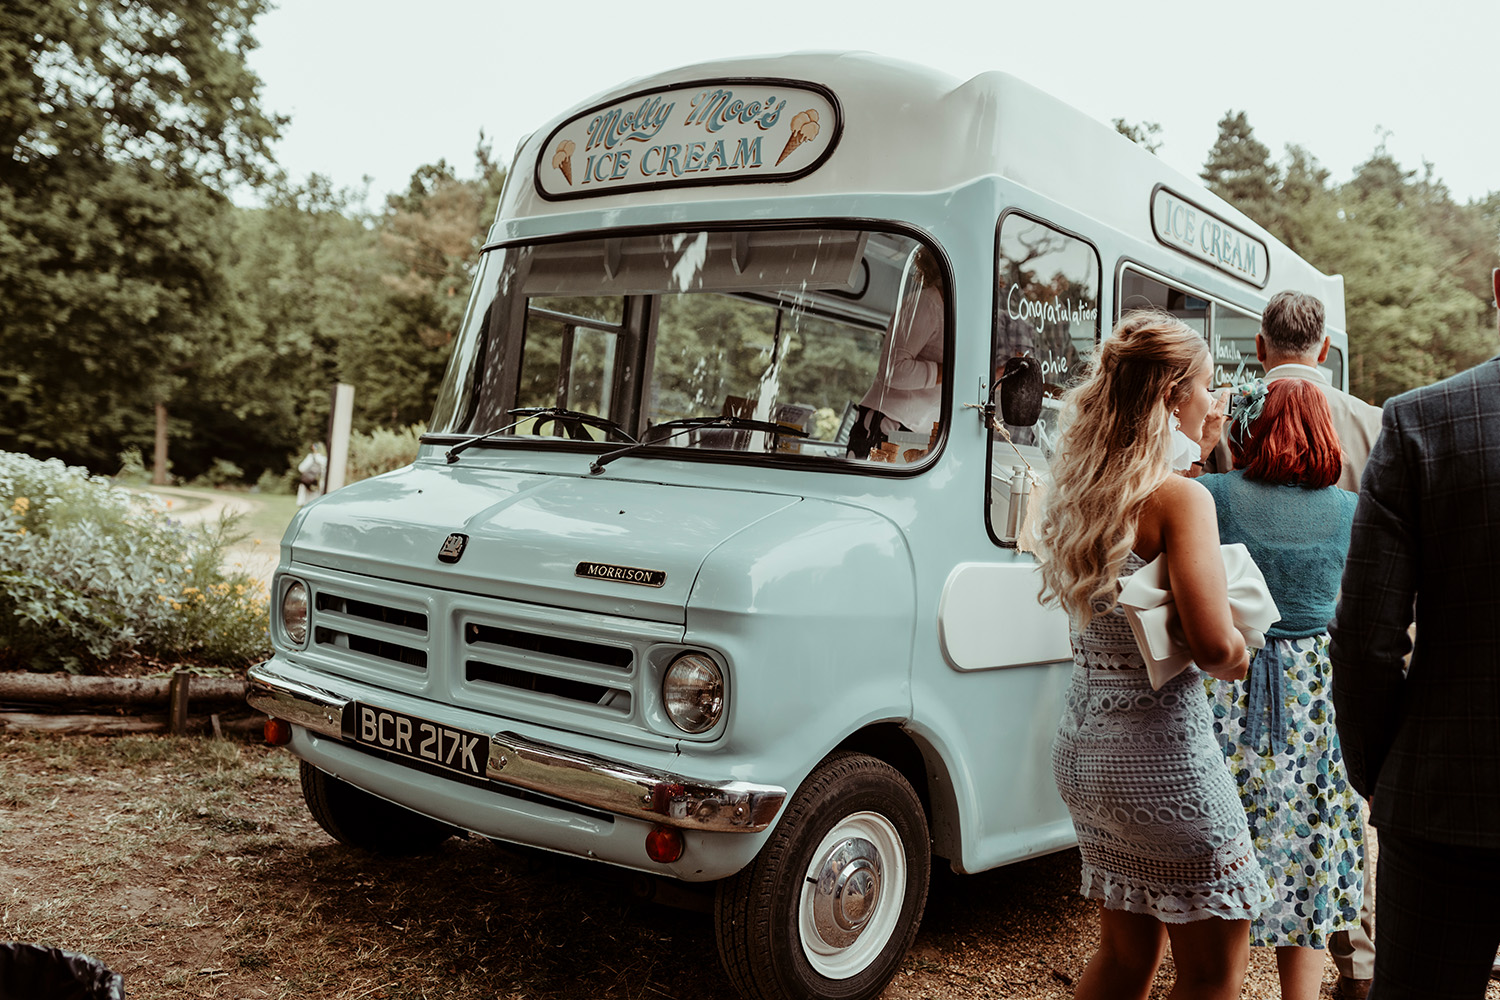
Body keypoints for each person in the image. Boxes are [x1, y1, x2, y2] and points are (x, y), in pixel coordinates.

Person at [1036, 310, 1270, 1000]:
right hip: (1163, 765)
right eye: (1207, 387)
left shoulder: (1080, 492)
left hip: (1086, 757)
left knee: (1124, 957)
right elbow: (1212, 643)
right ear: (1173, 396)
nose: (1215, 401)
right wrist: (1243, 654)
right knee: (1213, 971)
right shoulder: (1178, 499)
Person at [1196, 289, 1382, 1000]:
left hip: (1234, 670)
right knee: (1315, 844)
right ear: (1326, 350)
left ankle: (1215, 974)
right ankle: (1353, 968)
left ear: (1262, 346)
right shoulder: (1369, 432)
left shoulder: (1224, 451)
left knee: (1231, 838)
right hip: (1318, 678)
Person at [1328, 266, 1500, 1000]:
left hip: (1443, 799)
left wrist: (1382, 768)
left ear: (1499, 286)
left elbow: (1366, 638)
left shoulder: (1425, 422)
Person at [846, 248, 943, 460]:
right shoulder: (925, 304)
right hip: (887, 422)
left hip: (914, 427)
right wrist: (946, 373)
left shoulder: (949, 312)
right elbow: (894, 370)